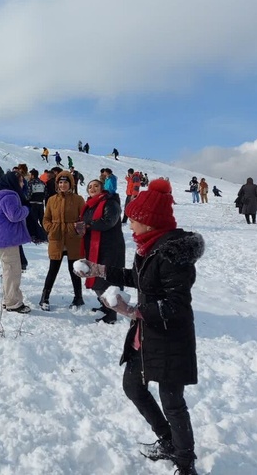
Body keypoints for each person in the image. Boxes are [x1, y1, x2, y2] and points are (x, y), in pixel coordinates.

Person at [75, 178, 204, 475]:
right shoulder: (148, 245)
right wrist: (98, 269)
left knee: (173, 402)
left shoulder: (171, 254)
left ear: (149, 222)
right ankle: (168, 440)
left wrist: (131, 310)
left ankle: (185, 464)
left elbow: (177, 306)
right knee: (133, 386)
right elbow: (138, 277)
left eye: (133, 218)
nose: (129, 223)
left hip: (171, 338)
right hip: (146, 335)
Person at [78, 179, 125, 322]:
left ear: (102, 188)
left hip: (110, 248)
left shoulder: (110, 202)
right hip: (95, 248)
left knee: (107, 279)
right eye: (90, 187)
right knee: (98, 278)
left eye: (96, 186)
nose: (92, 189)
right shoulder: (90, 205)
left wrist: (87, 225)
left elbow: (108, 222)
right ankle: (105, 306)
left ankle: (112, 313)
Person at [0, 171, 31, 313]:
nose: (23, 183)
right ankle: (13, 303)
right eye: (21, 181)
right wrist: (26, 209)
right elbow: (14, 216)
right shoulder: (10, 196)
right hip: (8, 239)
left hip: (4, 239)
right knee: (13, 271)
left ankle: (8, 299)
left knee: (9, 270)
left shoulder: (2, 195)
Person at [40, 171, 86, 310]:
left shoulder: (78, 199)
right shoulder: (51, 199)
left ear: (70, 184)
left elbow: (83, 219)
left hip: (73, 240)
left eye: (66, 182)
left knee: (75, 270)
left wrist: (73, 228)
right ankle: (45, 298)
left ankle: (78, 298)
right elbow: (45, 219)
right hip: (56, 239)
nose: (63, 185)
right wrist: (51, 228)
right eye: (60, 182)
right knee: (52, 270)